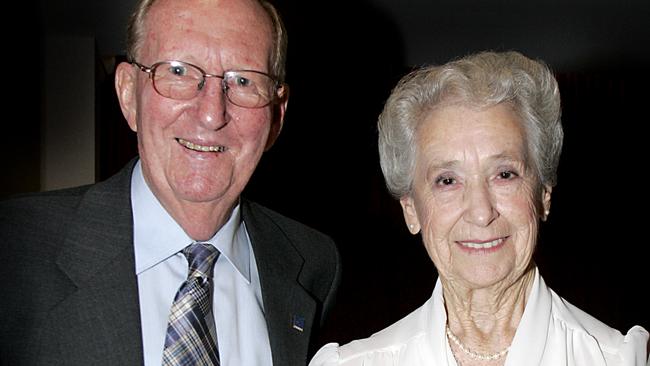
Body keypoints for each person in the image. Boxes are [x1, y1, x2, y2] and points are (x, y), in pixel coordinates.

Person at [0, 0, 341, 365]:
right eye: (178, 71)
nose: (211, 114)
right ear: (129, 93)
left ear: (277, 117)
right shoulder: (14, 246)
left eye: (243, 80)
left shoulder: (312, 263)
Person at [309, 51, 649, 366]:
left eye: (504, 174)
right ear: (411, 209)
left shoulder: (618, 359)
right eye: (447, 180)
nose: (481, 212)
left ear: (543, 193)